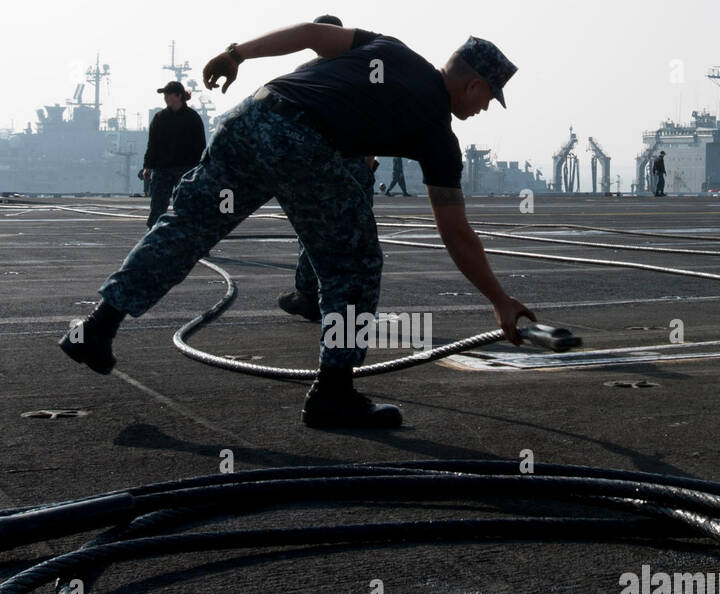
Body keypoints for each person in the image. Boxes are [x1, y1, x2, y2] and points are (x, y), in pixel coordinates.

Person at [59, 23, 534, 430]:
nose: (486, 109)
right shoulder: (437, 134)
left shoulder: (390, 49)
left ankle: (98, 328)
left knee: (184, 227)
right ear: (474, 86)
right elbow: (455, 232)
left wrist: (235, 54)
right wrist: (499, 300)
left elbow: (310, 34)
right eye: (491, 98)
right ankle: (333, 394)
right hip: (302, 143)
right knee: (353, 263)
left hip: (252, 116)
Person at [278, 14, 380, 322]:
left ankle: (309, 296)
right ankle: (354, 304)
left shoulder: (303, 74)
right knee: (359, 236)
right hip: (356, 164)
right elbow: (377, 116)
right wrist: (370, 157)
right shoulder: (364, 73)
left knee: (313, 232)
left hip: (319, 166)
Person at [143, 81, 207, 228]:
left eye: (168, 94)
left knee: (186, 208)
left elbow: (200, 145)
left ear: (178, 96)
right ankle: (152, 241)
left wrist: (193, 168)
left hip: (185, 170)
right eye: (164, 94)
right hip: (162, 170)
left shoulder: (192, 118)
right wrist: (148, 166)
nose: (165, 97)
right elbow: (152, 145)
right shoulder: (159, 118)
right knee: (157, 209)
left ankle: (188, 241)